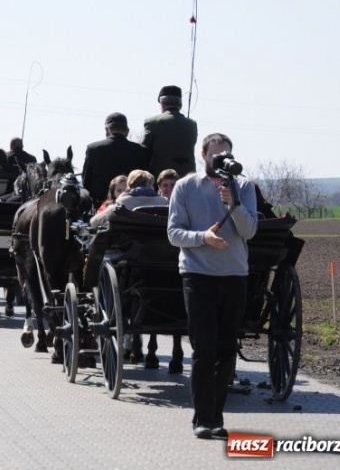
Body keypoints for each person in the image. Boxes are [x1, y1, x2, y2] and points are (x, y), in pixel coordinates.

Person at [167, 133, 257, 440]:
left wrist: (235, 204)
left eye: (227, 155)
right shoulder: (185, 186)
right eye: (217, 155)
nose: (222, 161)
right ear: (203, 154)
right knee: (204, 350)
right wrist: (202, 238)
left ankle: (217, 418)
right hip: (198, 277)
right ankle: (202, 419)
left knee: (226, 350)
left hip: (234, 277)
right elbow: (174, 233)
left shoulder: (243, 186)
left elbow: (249, 230)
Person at [82, 112, 150, 207]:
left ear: (106, 130)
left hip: (101, 206)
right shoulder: (141, 151)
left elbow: (86, 182)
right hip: (133, 207)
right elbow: (146, 181)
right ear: (127, 131)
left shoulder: (93, 149)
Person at [142, 85, 199, 178]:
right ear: (180, 104)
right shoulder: (192, 124)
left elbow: (144, 149)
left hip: (160, 178)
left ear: (163, 103)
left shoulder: (152, 122)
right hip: (187, 177)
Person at [90, 170, 169, 228]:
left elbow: (94, 223)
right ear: (149, 184)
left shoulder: (121, 202)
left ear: (129, 185)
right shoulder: (165, 202)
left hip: (128, 247)